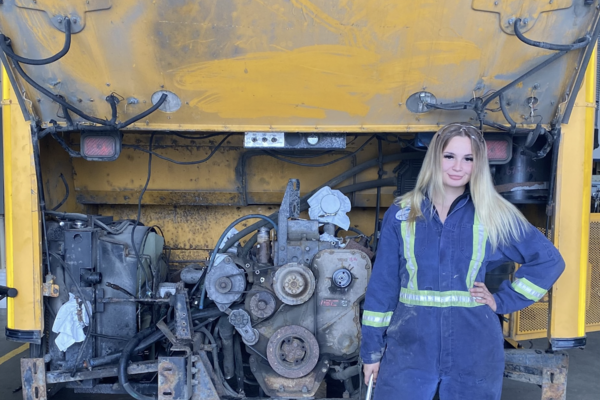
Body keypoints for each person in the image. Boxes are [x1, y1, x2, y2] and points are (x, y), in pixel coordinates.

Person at [360, 123, 565, 400]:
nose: (458, 166)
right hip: (409, 349)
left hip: (474, 350)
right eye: (450, 157)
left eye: (468, 159)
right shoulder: (402, 214)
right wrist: (371, 353)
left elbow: (548, 261)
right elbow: (382, 288)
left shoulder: (492, 214)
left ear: (477, 164)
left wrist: (502, 301)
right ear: (435, 159)